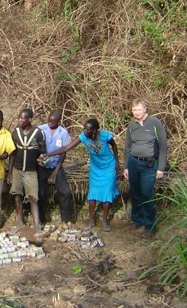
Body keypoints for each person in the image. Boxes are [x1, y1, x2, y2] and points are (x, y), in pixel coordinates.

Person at [41, 118, 120, 232]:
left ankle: (104, 221)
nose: (85, 131)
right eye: (84, 128)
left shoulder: (105, 136)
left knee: (106, 194)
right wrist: (49, 154)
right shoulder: (83, 137)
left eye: (88, 129)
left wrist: (116, 162)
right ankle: (91, 220)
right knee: (92, 194)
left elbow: (114, 146)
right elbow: (66, 147)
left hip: (108, 167)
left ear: (95, 130)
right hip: (95, 168)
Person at [124, 99, 168, 236]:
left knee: (146, 193)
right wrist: (126, 167)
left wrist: (161, 168)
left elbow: (163, 146)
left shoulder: (155, 123)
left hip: (149, 164)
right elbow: (127, 147)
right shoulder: (131, 126)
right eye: (134, 110)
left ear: (144, 109)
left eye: (139, 109)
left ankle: (150, 225)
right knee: (135, 192)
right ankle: (137, 220)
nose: (136, 112)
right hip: (133, 162)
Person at [8, 108, 46, 235]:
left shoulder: (38, 133)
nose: (20, 120)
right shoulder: (15, 132)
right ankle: (20, 222)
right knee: (17, 195)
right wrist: (10, 172)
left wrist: (39, 148)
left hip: (31, 171)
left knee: (33, 198)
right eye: (19, 117)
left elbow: (44, 150)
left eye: (23, 118)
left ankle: (37, 226)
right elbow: (12, 153)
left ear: (29, 119)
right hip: (17, 170)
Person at [37, 110, 73, 226]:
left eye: (53, 122)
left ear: (59, 121)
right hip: (42, 166)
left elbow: (64, 152)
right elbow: (34, 145)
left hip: (56, 166)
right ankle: (41, 219)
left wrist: (55, 172)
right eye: (49, 121)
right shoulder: (41, 129)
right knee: (40, 193)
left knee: (65, 192)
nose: (50, 123)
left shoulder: (63, 133)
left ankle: (66, 219)